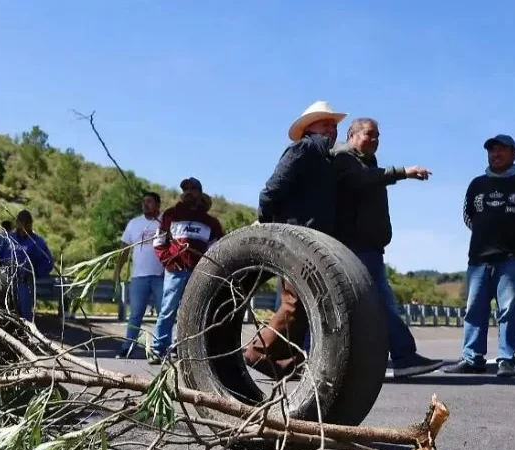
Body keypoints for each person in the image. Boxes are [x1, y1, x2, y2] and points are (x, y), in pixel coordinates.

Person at [331, 118, 444, 378]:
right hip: (356, 246)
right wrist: (403, 172)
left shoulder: (365, 162)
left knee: (378, 305)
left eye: (377, 136)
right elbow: (361, 180)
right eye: (369, 135)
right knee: (378, 304)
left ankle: (397, 357)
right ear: (352, 135)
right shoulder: (344, 158)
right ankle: (404, 357)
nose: (375, 140)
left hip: (370, 247)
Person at [246, 101, 346, 379]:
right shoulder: (303, 149)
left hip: (314, 241)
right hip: (297, 238)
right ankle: (257, 351)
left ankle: (287, 361)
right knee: (296, 302)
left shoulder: (325, 159)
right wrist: (270, 226)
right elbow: (271, 191)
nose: (332, 129)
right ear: (309, 127)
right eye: (325, 123)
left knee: (304, 301)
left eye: (334, 125)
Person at [441, 134, 515, 377]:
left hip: (513, 257)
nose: (496, 154)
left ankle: (507, 359)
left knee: (508, 308)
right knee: (474, 309)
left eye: (501, 150)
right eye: (492, 151)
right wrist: (486, 234)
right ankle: (472, 358)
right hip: (479, 257)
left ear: (514, 154)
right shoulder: (477, 184)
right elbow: (468, 215)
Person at [149, 178, 224, 364]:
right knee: (167, 310)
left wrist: (206, 269)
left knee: (189, 312)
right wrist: (169, 261)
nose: (188, 192)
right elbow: (159, 242)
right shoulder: (170, 215)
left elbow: (216, 249)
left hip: (198, 274)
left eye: (193, 189)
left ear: (200, 192)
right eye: (186, 189)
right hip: (175, 271)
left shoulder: (210, 222)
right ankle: (158, 349)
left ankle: (180, 348)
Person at [113, 191, 165, 358]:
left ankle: (161, 349)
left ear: (158, 205)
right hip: (138, 277)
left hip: (161, 276)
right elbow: (124, 249)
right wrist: (117, 270)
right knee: (135, 314)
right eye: (144, 202)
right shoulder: (134, 223)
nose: (145, 205)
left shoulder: (165, 221)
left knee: (163, 314)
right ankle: (128, 347)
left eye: (149, 202)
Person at [0, 210, 54, 321]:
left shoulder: (37, 242)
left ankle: (26, 335)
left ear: (30, 224)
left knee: (24, 315)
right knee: (5, 312)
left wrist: (35, 273)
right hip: (7, 282)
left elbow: (48, 262)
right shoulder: (9, 239)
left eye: (27, 223)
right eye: (21, 222)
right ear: (17, 223)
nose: (24, 225)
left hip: (25, 284)